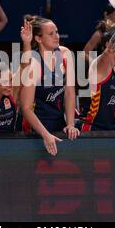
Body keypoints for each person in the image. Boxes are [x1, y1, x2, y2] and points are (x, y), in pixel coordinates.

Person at [20, 17, 79, 156]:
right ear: (39, 39)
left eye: (57, 32)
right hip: (36, 127)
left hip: (59, 122)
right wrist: (45, 134)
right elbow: (26, 108)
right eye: (51, 34)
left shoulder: (65, 54)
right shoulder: (34, 64)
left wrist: (70, 124)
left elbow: (70, 92)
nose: (56, 36)